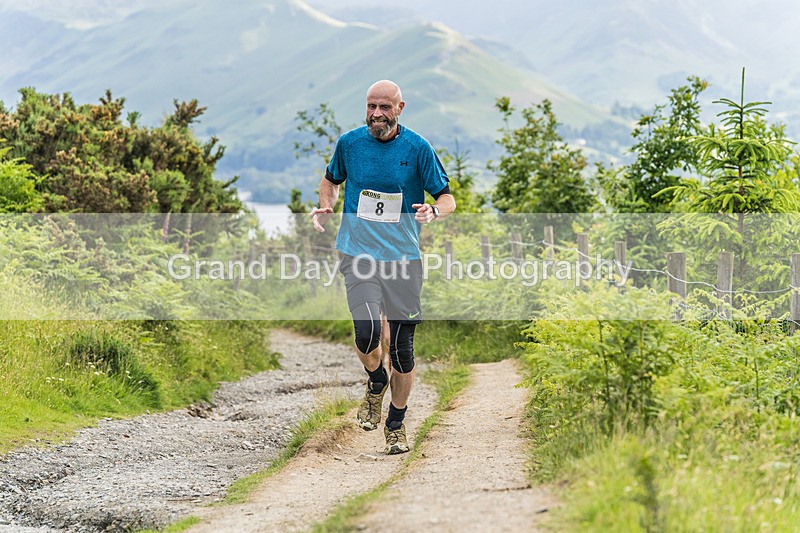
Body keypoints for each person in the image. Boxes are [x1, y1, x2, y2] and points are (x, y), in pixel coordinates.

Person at [310, 80, 455, 454]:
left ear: (400, 108)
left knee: (403, 349)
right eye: (371, 106)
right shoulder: (350, 143)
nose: (377, 114)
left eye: (384, 107)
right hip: (357, 253)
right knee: (367, 332)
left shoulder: (418, 148)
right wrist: (327, 203)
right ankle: (376, 380)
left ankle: (396, 424)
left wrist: (434, 210)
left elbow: (446, 196)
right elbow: (330, 179)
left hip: (403, 259)